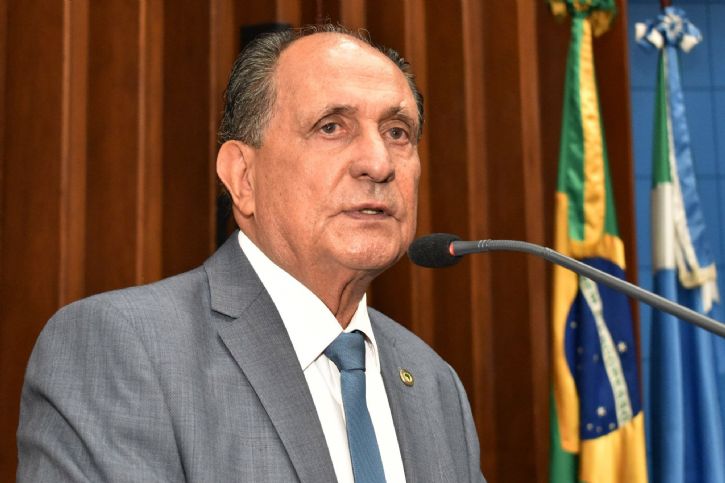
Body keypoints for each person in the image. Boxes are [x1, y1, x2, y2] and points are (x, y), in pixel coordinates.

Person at [17, 25, 485, 482]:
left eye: (397, 132)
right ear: (243, 177)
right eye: (331, 127)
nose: (379, 163)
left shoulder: (434, 383)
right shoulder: (124, 348)